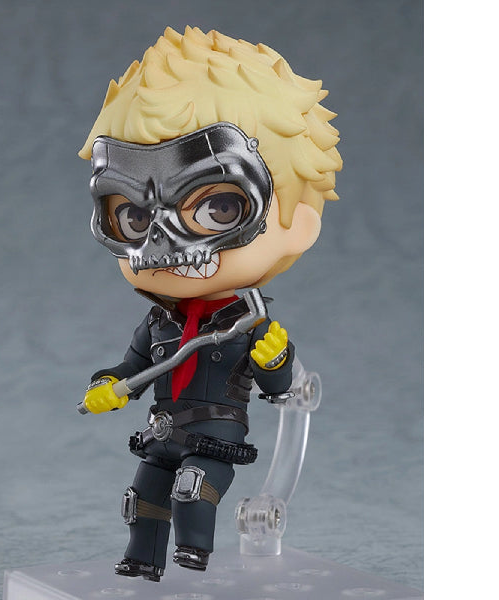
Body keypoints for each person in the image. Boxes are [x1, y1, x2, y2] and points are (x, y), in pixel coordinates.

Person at [77, 26, 342, 582]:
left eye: (217, 208)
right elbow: (134, 368)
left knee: (193, 489)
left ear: (297, 223)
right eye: (133, 215)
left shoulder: (246, 324)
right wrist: (109, 384)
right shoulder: (159, 323)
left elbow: (279, 388)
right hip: (162, 430)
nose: (164, 244)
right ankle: (141, 560)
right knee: (141, 498)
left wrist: (275, 359)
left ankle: (194, 557)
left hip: (216, 434)